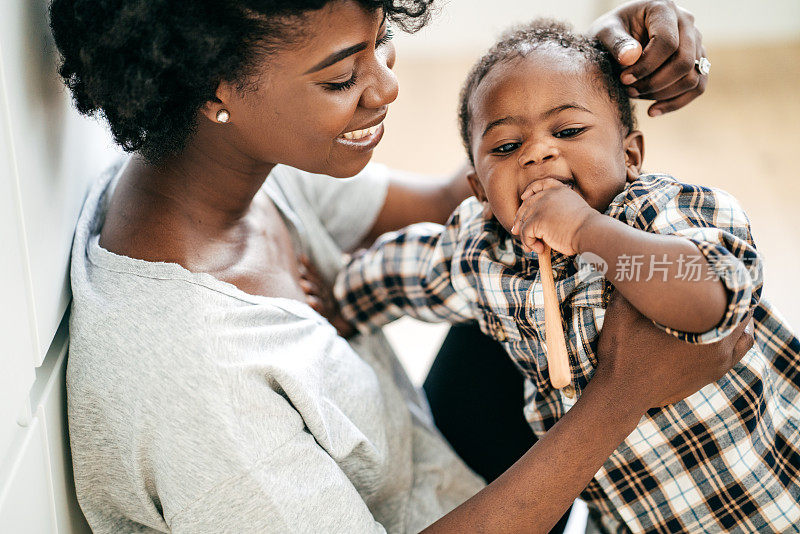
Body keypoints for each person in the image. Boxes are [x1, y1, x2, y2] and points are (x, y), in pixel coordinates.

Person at [50, 0, 752, 532]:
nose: (385, 88)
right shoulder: (190, 386)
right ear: (212, 90)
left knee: (538, 254)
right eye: (341, 78)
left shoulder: (226, 168)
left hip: (431, 460)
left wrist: (585, 70)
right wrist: (621, 399)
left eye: (381, 41)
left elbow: (463, 200)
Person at [334, 19, 800, 532]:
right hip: (631, 515)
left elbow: (711, 296)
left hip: (771, 498)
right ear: (480, 189)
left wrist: (588, 232)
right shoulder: (483, 250)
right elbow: (410, 268)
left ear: (630, 155)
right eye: (506, 147)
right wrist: (341, 297)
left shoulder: (660, 212)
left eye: (569, 131)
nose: (538, 152)